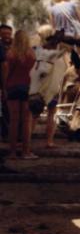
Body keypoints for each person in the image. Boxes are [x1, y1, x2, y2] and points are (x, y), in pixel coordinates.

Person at [2, 30, 37, 159]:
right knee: (26, 121)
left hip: (12, 87)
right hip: (27, 88)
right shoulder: (31, 54)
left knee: (13, 121)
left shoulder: (10, 54)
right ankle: (26, 151)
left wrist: (4, 89)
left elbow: (6, 73)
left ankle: (12, 152)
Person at [0, 24, 12, 139]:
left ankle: (9, 134)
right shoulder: (0, 46)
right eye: (4, 34)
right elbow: (3, 65)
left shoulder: (15, 46)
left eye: (8, 33)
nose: (6, 36)